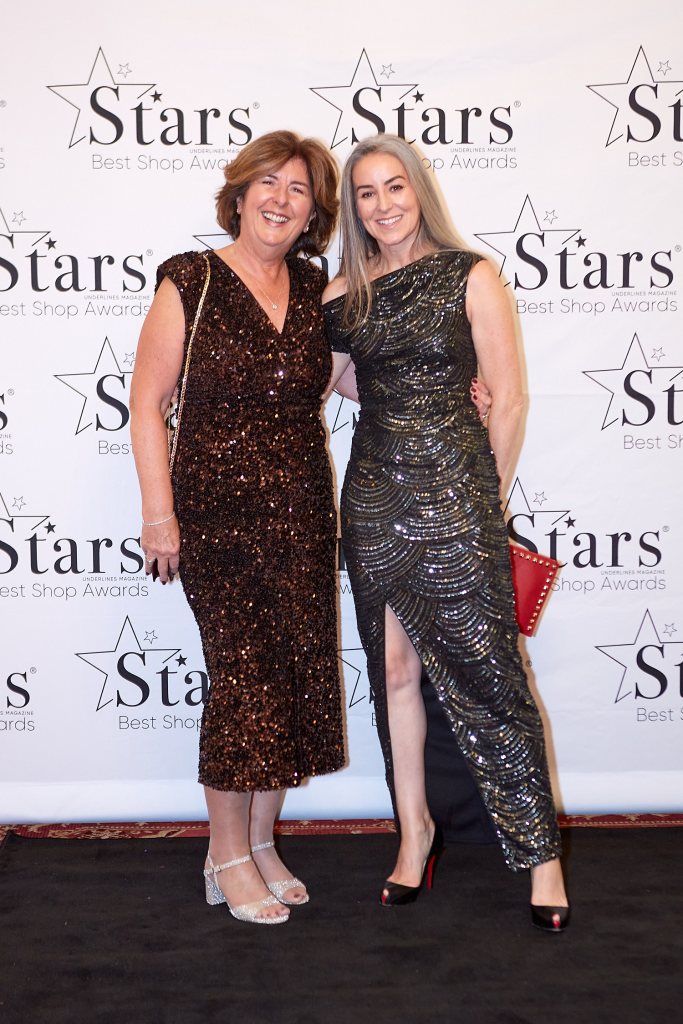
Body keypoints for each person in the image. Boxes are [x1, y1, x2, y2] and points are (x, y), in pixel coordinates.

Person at [322, 134, 569, 931]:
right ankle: (414, 835)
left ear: (418, 191)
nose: (383, 204)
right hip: (375, 498)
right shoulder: (342, 293)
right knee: (393, 673)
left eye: (394, 186)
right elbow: (337, 380)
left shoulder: (471, 274)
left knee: (494, 674)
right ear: (354, 207)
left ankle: (541, 857)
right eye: (366, 192)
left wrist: (485, 500)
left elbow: (510, 397)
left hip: (458, 495)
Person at [130, 131, 344, 925]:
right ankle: (224, 855)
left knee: (289, 676)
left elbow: (343, 379)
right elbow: (146, 404)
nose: (281, 199)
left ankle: (259, 842)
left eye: (298, 189)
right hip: (215, 516)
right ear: (242, 192)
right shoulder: (191, 279)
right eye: (269, 183)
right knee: (244, 681)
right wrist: (160, 514)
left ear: (312, 213)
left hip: (302, 509)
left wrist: (445, 386)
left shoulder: (316, 286)